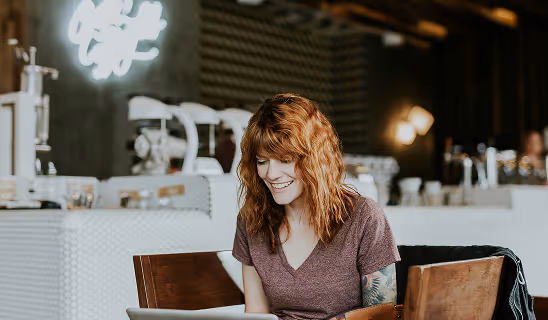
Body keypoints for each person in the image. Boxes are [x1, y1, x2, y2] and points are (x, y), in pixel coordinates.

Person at [232, 93, 400, 320]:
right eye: (262, 161)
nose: (271, 174)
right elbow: (255, 315)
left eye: (285, 159)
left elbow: (383, 316)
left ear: (314, 159)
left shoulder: (365, 218)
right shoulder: (251, 221)